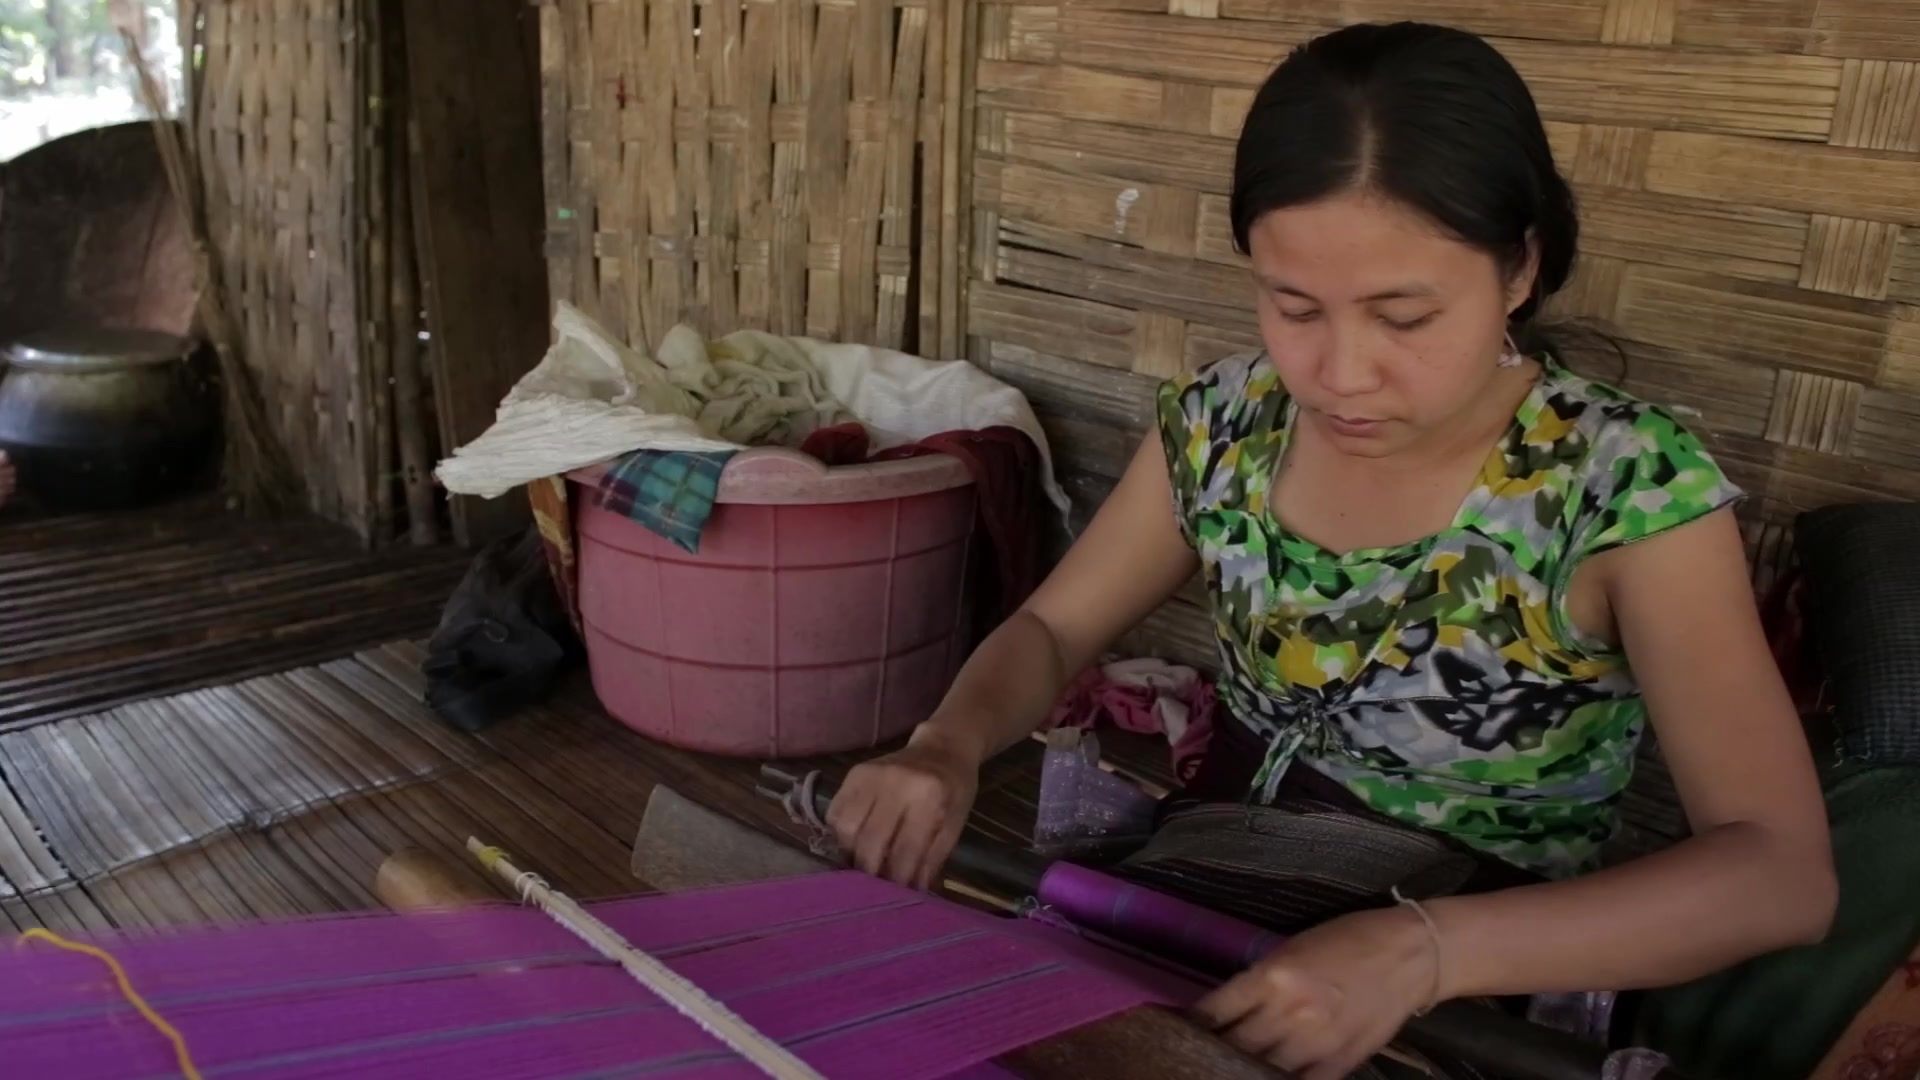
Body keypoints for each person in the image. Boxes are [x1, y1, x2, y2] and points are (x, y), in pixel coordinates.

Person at [824, 20, 1837, 1080]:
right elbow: (1050, 627)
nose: (1342, 374)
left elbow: (1779, 874)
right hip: (1202, 903)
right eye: (1294, 306)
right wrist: (946, 746)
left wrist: (1424, 951)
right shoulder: (1227, 424)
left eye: (1405, 316)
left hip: (1467, 989)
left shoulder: (1622, 488)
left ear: (1521, 267)